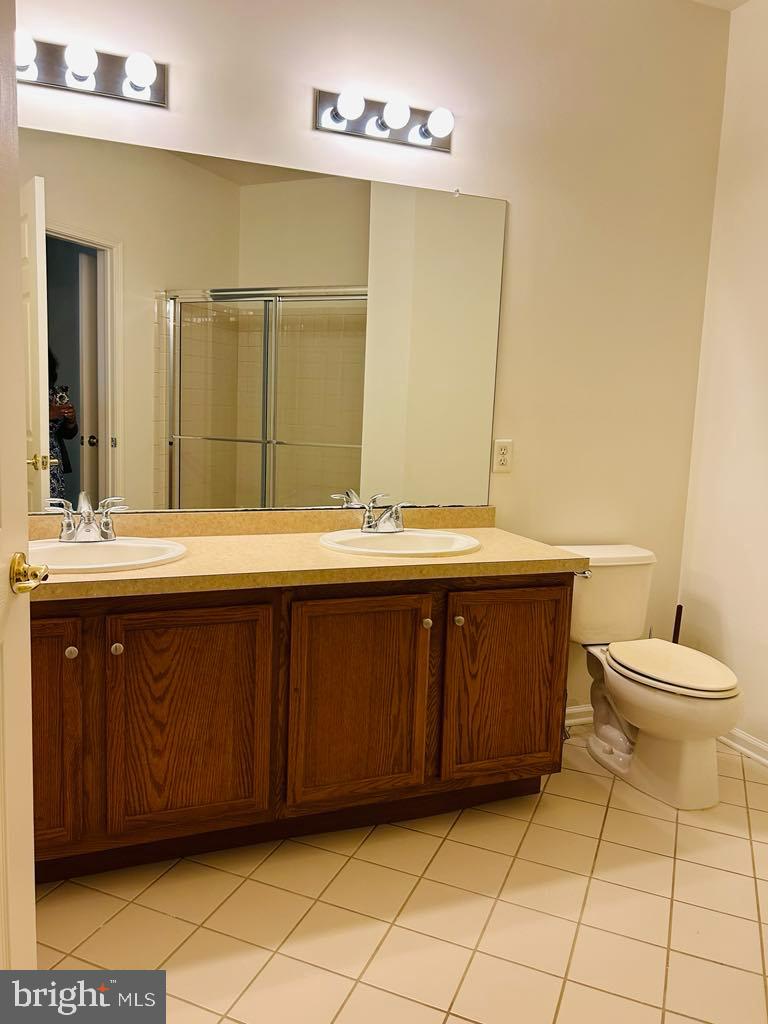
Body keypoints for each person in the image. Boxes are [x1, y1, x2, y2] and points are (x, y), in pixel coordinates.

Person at [48, 349, 79, 500]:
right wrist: (48, 415)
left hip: (55, 458)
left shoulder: (55, 394)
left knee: (56, 501)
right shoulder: (25, 396)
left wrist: (71, 421)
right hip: (31, 455)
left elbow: (68, 434)